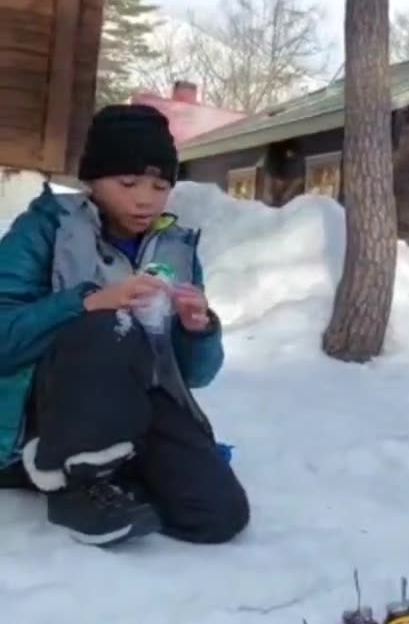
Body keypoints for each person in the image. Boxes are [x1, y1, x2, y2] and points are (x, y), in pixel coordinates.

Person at [0, 104, 249, 547]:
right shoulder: (46, 229)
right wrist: (89, 301)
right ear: (92, 181)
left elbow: (194, 375)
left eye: (160, 185)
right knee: (108, 324)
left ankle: (112, 470)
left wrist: (198, 330)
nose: (145, 199)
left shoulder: (176, 247)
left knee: (218, 515)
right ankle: (73, 482)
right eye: (128, 183)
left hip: (135, 404)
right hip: (40, 414)